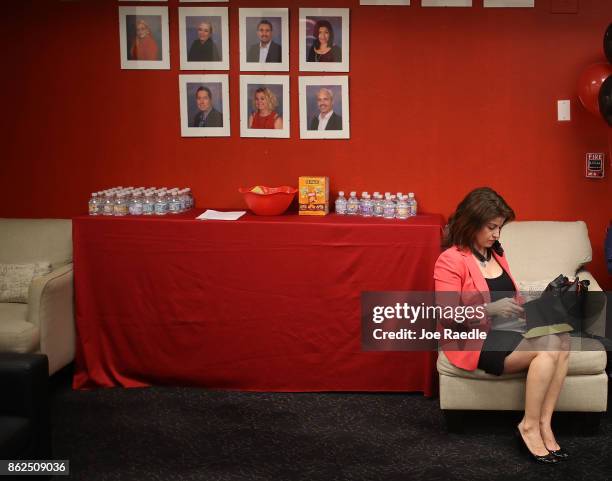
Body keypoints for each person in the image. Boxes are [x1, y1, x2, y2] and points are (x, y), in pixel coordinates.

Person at [434, 187, 570, 465]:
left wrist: (533, 309)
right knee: (549, 345)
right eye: (491, 227)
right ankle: (528, 426)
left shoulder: (495, 252)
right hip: (473, 339)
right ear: (471, 222)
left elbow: (511, 295)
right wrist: (488, 308)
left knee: (564, 337)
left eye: (500, 228)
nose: (497, 234)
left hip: (506, 329)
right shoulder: (450, 259)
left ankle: (545, 424)